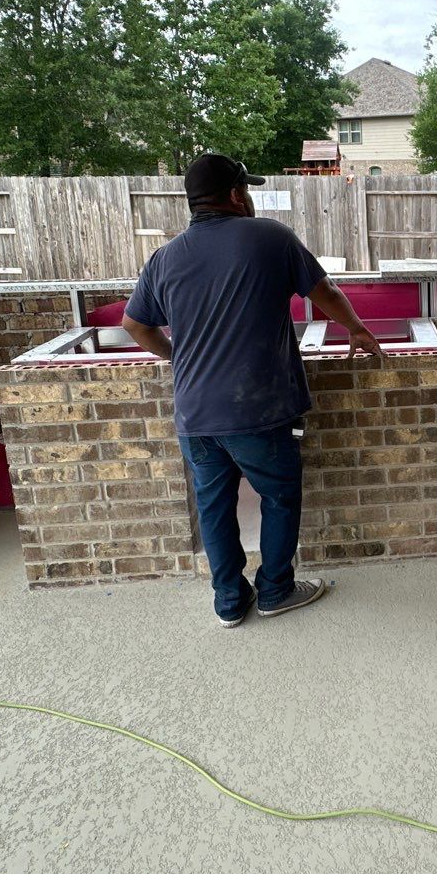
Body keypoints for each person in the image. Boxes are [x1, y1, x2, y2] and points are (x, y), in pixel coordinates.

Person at [122, 153, 384, 628]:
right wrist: (358, 330)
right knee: (280, 496)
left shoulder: (165, 257)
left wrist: (178, 356)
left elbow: (134, 325)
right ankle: (275, 590)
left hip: (195, 415)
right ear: (237, 195)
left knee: (213, 505)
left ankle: (228, 602)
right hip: (256, 412)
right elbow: (323, 292)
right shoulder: (270, 237)